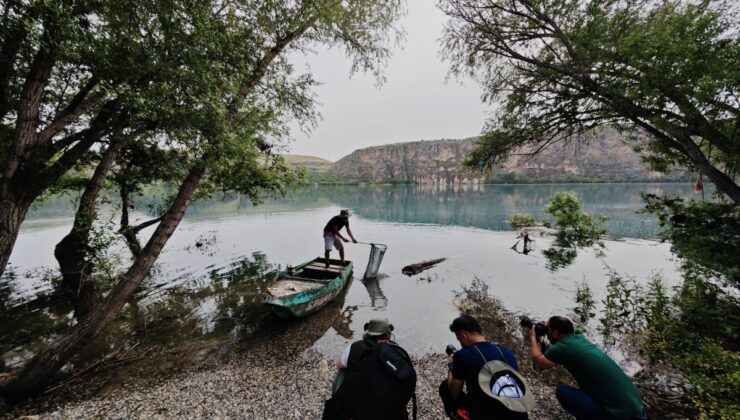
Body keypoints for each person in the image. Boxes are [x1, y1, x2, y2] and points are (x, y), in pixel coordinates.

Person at [530, 316, 646, 420]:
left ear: (555, 333)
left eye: (547, 328)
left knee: (562, 391)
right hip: (637, 409)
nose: (546, 330)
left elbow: (539, 364)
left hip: (619, 415)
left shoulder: (563, 347)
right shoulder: (579, 340)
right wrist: (550, 325)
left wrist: (533, 337)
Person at [324, 318, 416, 420]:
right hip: (385, 404)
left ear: (368, 332)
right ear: (388, 334)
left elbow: (340, 365)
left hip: (357, 399)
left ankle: (337, 398)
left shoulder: (354, 346)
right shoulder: (394, 352)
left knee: (341, 373)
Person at [440, 315, 528, 420]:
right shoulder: (507, 351)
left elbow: (454, 393)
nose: (461, 343)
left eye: (459, 340)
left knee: (445, 387)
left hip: (488, 416)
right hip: (520, 414)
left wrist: (452, 365)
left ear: (463, 336)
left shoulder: (463, 355)